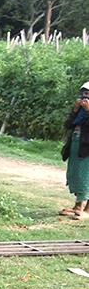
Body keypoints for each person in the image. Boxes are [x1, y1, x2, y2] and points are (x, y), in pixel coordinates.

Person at [61, 84, 89, 219]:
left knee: (87, 177)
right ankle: (78, 207)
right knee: (76, 175)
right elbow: (68, 125)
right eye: (83, 94)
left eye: (88, 95)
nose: (84, 97)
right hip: (77, 146)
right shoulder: (79, 112)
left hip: (87, 149)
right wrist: (76, 109)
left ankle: (88, 211)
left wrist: (88, 111)